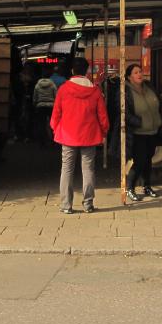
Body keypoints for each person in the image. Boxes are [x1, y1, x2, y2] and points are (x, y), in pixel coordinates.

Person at [50, 57, 109, 214]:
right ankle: (88, 204)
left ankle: (66, 205)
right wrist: (104, 132)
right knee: (88, 169)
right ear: (87, 71)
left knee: (67, 169)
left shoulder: (63, 89)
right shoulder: (95, 90)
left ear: (72, 71)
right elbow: (102, 115)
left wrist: (55, 128)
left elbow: (56, 113)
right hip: (89, 134)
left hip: (67, 135)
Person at [113, 63, 162, 202]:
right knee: (139, 161)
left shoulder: (149, 87)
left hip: (152, 131)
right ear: (129, 77)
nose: (139, 74)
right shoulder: (125, 91)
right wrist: (140, 122)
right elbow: (123, 113)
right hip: (137, 133)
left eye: (140, 71)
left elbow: (158, 104)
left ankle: (147, 186)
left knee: (148, 160)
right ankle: (130, 188)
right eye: (135, 72)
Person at [33, 66, 57, 144]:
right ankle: (53, 139)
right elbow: (56, 96)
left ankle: (42, 141)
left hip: (40, 106)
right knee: (52, 123)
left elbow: (35, 97)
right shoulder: (53, 85)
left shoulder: (37, 85)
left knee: (41, 123)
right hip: (51, 106)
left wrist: (35, 104)